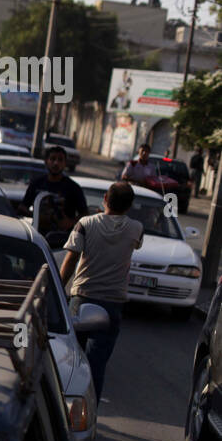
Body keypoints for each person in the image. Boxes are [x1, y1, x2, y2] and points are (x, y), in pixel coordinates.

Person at [59, 181, 143, 402]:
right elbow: (135, 243)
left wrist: (57, 287)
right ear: (129, 205)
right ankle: (88, 409)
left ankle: (62, 403)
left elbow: (70, 260)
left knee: (70, 359)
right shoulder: (136, 228)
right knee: (96, 364)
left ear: (105, 198)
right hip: (112, 304)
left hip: (82, 297)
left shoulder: (85, 224)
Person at [17, 145, 88, 229]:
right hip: (37, 234)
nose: (56, 163)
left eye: (60, 160)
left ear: (65, 164)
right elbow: (22, 207)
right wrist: (37, 216)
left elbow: (85, 215)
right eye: (52, 159)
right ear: (46, 161)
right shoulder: (36, 184)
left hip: (62, 238)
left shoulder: (73, 188)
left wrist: (70, 223)